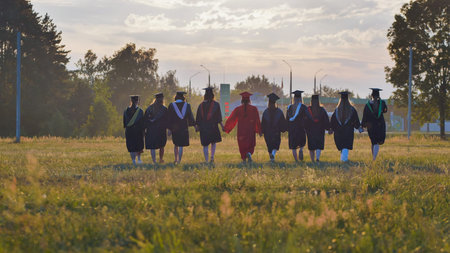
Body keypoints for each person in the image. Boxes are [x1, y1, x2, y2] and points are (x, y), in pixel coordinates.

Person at [224, 91, 262, 163]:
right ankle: (249, 153)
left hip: (241, 130)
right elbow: (257, 120)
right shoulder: (254, 109)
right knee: (250, 144)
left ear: (242, 100)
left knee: (242, 144)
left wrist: (226, 128)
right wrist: (259, 130)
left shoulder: (238, 109)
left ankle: (244, 159)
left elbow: (231, 119)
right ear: (249, 100)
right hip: (250, 130)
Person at [330, 91, 363, 162]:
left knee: (342, 146)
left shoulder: (337, 110)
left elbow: (333, 120)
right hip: (348, 132)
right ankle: (344, 160)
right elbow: (356, 120)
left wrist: (331, 129)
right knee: (346, 146)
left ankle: (343, 159)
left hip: (338, 132)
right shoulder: (352, 109)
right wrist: (358, 127)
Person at [195, 87, 224, 163]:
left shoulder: (200, 106)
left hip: (203, 128)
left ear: (205, 96)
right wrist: (222, 126)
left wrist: (197, 127)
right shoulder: (216, 105)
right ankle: (212, 157)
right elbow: (219, 118)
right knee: (213, 142)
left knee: (205, 145)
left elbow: (198, 118)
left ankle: (206, 160)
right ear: (212, 95)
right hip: (213, 127)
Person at [166, 91, 195, 164]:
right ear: (183, 97)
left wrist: (169, 129)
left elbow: (168, 118)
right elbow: (190, 117)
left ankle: (175, 159)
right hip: (183, 128)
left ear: (176, 97)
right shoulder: (187, 105)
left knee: (176, 144)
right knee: (181, 145)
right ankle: (179, 160)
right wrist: (194, 125)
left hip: (174, 128)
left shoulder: (171, 105)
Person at [361, 88, 388, 161]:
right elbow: (385, 110)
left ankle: (374, 157)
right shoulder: (382, 103)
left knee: (373, 142)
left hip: (371, 126)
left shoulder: (368, 105)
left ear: (371, 95)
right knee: (377, 142)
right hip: (380, 125)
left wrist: (362, 125)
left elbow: (365, 115)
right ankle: (374, 158)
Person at [286, 90, 312, 162]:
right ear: (300, 98)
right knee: (302, 142)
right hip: (300, 128)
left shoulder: (289, 108)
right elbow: (308, 117)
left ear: (294, 99)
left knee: (293, 146)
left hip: (292, 129)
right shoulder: (303, 107)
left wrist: (287, 128)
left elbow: (287, 119)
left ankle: (296, 160)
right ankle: (301, 150)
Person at [261, 93, 287, 162]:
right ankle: (273, 154)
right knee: (275, 145)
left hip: (268, 133)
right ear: (275, 102)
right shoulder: (279, 112)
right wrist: (284, 129)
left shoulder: (265, 112)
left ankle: (271, 158)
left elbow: (263, 123)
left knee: (269, 146)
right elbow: (283, 123)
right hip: (276, 132)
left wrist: (262, 131)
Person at [305, 94, 330, 162]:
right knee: (318, 145)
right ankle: (317, 158)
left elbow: (305, 121)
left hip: (310, 131)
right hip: (320, 131)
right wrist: (329, 128)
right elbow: (326, 120)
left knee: (311, 147)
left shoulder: (308, 110)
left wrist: (305, 129)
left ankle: (312, 160)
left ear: (311, 101)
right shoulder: (322, 110)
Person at [144, 92, 168, 164]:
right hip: (161, 129)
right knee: (162, 146)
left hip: (151, 129)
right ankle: (161, 159)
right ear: (162, 99)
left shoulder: (149, 108)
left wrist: (145, 128)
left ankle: (154, 161)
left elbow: (145, 119)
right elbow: (167, 119)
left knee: (152, 146)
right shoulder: (164, 109)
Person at [123, 95, 145, 165]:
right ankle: (139, 159)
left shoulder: (126, 110)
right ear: (137, 101)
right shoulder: (140, 111)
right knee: (138, 146)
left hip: (129, 131)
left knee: (131, 146)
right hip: (138, 131)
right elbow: (142, 122)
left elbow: (124, 122)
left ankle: (133, 161)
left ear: (131, 101)